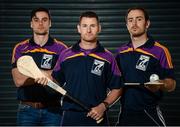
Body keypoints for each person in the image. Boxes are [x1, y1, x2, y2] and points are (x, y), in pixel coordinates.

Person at [36, 11, 123, 126]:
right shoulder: (66, 55)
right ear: (78, 28)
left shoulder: (108, 57)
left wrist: (103, 106)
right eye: (85, 26)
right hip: (70, 117)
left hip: (97, 116)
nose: (88, 30)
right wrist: (46, 81)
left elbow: (118, 88)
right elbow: (56, 82)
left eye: (92, 26)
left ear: (99, 28)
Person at [115, 7, 176, 126]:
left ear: (147, 23)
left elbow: (172, 84)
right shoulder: (120, 52)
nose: (134, 23)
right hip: (125, 115)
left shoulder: (160, 51)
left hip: (149, 113)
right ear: (127, 25)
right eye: (130, 20)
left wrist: (161, 84)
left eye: (139, 19)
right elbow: (115, 84)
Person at [11, 7, 67, 126]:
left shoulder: (61, 49)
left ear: (50, 23)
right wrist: (42, 75)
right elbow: (18, 80)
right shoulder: (20, 48)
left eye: (44, 20)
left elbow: (62, 80)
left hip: (53, 111)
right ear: (31, 24)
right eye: (36, 20)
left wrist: (46, 76)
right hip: (27, 111)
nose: (40, 23)